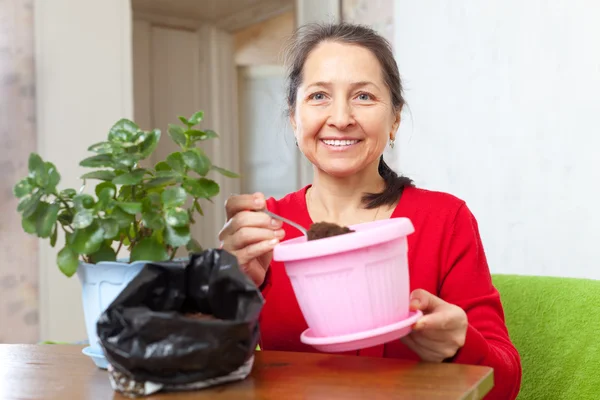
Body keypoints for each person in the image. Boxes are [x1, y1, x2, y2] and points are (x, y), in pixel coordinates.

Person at [219, 22, 522, 399]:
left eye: (363, 96)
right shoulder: (265, 231)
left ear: (394, 118)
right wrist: (231, 288)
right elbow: (212, 377)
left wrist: (460, 346)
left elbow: (505, 384)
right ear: (294, 118)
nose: (342, 117)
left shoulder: (446, 219)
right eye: (318, 96)